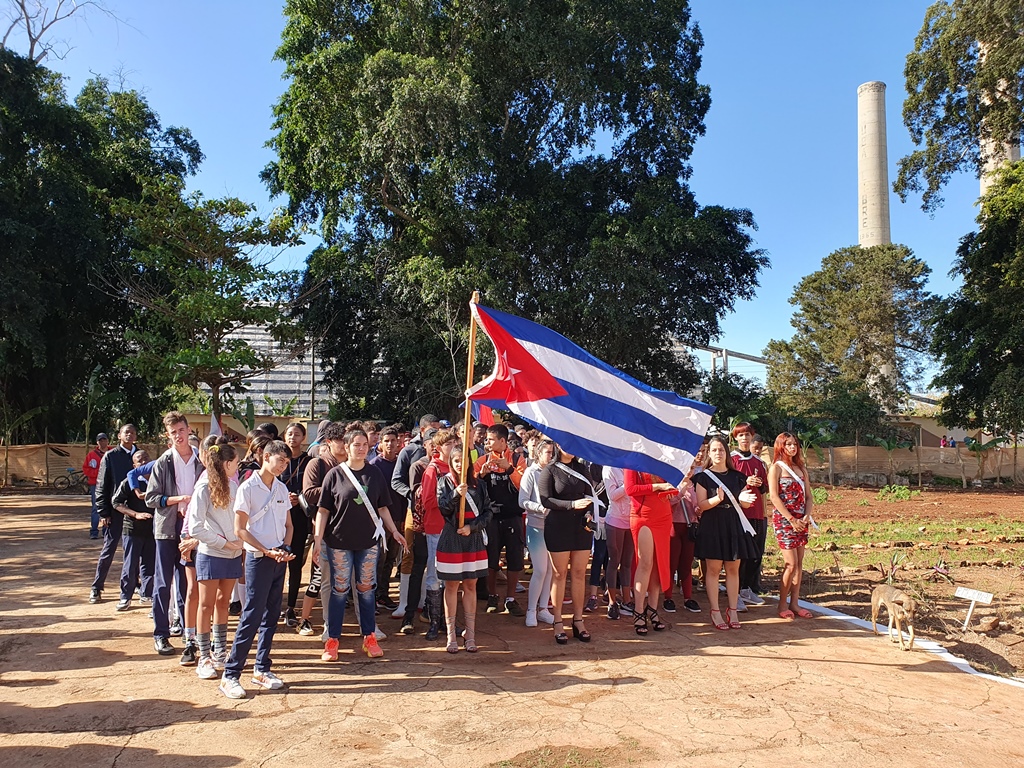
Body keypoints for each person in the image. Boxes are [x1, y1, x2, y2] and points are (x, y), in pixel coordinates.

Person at [314, 429, 407, 661]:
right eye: (356, 444)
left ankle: (369, 637)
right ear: (346, 447)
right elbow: (323, 510)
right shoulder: (334, 475)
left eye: (365, 444)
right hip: (338, 542)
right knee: (339, 590)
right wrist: (317, 541)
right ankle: (333, 640)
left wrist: (394, 531)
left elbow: (383, 507)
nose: (361, 448)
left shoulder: (374, 474)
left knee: (366, 591)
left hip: (368, 543)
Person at [219, 440, 295, 698]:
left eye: (287, 461)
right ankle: (231, 674)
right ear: (266, 456)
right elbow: (240, 529)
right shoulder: (248, 488)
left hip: (278, 558)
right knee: (251, 615)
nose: (284, 465)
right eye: (280, 459)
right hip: (258, 558)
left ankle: (262, 668)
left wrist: (284, 547)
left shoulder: (282, 489)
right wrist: (265, 550)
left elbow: (289, 524)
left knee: (272, 615)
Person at [146, 412, 203, 656]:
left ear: (188, 429)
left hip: (192, 532)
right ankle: (161, 633)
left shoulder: (201, 461)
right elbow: (151, 498)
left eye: (181, 430)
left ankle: (187, 631)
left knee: (188, 584)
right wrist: (176, 500)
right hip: (167, 530)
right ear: (167, 436)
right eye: (173, 433)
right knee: (162, 582)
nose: (179, 436)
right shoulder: (163, 462)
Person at [189, 442, 245, 680]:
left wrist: (239, 543)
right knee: (206, 604)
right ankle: (204, 657)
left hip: (233, 554)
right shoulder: (203, 488)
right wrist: (224, 543)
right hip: (211, 554)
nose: (239, 465)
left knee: (223, 603)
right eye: (236, 462)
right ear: (226, 464)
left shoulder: (235, 486)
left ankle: (220, 651)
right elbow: (195, 527)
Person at [693, 435, 758, 631]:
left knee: (733, 569)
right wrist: (717, 500)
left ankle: (733, 610)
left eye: (721, 450)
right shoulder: (703, 477)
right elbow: (701, 505)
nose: (718, 453)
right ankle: (715, 611)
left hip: (733, 525)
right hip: (712, 525)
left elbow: (743, 503)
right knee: (713, 570)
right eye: (714, 450)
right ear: (709, 454)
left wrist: (746, 500)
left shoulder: (738, 476)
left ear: (726, 452)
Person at [538, 444, 597, 644]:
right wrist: (571, 505)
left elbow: (591, 496)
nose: (569, 447)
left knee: (580, 573)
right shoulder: (550, 470)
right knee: (559, 574)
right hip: (558, 527)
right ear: (557, 445)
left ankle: (578, 620)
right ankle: (557, 621)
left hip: (581, 527)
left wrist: (589, 513)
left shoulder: (582, 469)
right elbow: (545, 500)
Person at [436, 445, 492, 652]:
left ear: (469, 462)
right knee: (450, 586)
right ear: (451, 462)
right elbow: (442, 507)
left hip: (473, 538)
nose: (460, 464)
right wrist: (455, 495)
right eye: (456, 460)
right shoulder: (444, 482)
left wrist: (472, 527)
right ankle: (451, 635)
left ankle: (470, 634)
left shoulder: (480, 485)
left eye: (463, 460)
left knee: (470, 585)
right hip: (451, 538)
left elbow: (488, 512)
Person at [298, 421, 346, 637]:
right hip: (324, 530)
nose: (345, 445)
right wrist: (339, 491)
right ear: (329, 442)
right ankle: (313, 620)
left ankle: (364, 627)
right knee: (321, 580)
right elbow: (308, 493)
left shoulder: (355, 465)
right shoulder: (317, 464)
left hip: (350, 532)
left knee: (353, 581)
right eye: (340, 441)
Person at [473, 424, 527, 617]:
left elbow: (525, 486)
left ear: (502, 441)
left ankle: (511, 599)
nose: (487, 443)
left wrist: (510, 469)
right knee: (491, 559)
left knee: (515, 559)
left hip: (513, 517)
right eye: (486, 439)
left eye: (491, 439)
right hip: (491, 518)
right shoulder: (482, 460)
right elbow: (471, 487)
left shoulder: (518, 460)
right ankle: (492, 596)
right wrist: (482, 475)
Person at [768, 433, 815, 620]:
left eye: (795, 444)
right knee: (791, 563)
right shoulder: (776, 468)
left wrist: (806, 516)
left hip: (801, 521)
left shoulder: (801, 469)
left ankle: (795, 603)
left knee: (800, 564)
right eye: (788, 444)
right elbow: (774, 497)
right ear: (781, 446)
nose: (792, 448)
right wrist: (790, 519)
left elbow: (809, 496)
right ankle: (782, 605)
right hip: (785, 522)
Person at [89, 424, 138, 603]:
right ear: (119, 436)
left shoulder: (140, 456)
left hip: (134, 512)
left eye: (132, 433)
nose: (129, 435)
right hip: (115, 511)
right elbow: (101, 486)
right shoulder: (110, 457)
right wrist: (103, 513)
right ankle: (96, 587)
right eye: (126, 432)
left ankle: (135, 585)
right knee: (108, 549)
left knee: (133, 552)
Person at [624, 469, 675, 635]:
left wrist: (673, 488)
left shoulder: (662, 458)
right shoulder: (632, 460)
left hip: (663, 513)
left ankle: (653, 608)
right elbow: (630, 489)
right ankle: (638, 610)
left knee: (659, 562)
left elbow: (672, 484)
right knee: (645, 563)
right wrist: (658, 486)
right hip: (643, 515)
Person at [420, 428, 460, 639]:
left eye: (455, 443)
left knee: (452, 578)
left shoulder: (459, 468)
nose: (453, 447)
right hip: (437, 527)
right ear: (439, 447)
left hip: (455, 528)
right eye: (448, 444)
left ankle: (450, 622)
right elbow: (428, 501)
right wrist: (451, 498)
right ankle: (434, 622)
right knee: (435, 577)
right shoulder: (432, 470)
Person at [518, 438, 557, 627]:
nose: (551, 456)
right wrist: (540, 508)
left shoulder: (556, 472)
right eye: (548, 452)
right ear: (539, 454)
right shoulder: (530, 473)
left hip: (554, 527)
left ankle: (543, 609)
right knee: (540, 570)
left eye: (552, 452)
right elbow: (522, 500)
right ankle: (531, 610)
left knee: (550, 570)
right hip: (535, 526)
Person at [663, 446, 704, 614]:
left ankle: (688, 597)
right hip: (674, 526)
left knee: (686, 564)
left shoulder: (696, 485)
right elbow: (669, 502)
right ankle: (668, 597)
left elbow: (697, 505)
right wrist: (682, 490)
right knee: (672, 563)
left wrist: (698, 510)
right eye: (686, 468)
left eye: (692, 468)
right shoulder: (672, 483)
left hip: (689, 527)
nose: (689, 471)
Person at [731, 423, 769, 609]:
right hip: (738, 514)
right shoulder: (731, 460)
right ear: (735, 438)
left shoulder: (759, 463)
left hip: (756, 513)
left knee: (755, 553)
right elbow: (725, 484)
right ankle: (735, 592)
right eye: (741, 435)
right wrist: (744, 482)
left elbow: (764, 489)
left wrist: (759, 482)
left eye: (747, 435)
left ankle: (746, 588)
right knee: (739, 555)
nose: (745, 438)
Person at [112, 450, 154, 611]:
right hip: (132, 530)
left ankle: (147, 595)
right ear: (134, 465)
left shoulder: (158, 481)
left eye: (146, 459)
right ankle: (125, 597)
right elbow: (116, 502)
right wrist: (135, 514)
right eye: (139, 460)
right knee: (130, 565)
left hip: (152, 531)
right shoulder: (129, 482)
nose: (143, 462)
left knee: (149, 565)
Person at [369, 425, 405, 610]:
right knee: (378, 559)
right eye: (386, 441)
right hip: (380, 522)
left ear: (399, 443)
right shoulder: (374, 465)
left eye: (393, 441)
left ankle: (384, 594)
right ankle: (373, 596)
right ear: (380, 444)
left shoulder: (402, 463)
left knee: (391, 558)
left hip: (399, 518)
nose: (390, 444)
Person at [280, 422, 311, 628]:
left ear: (303, 437)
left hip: (299, 517)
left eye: (297, 434)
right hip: (278, 517)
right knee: (275, 563)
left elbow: (311, 486)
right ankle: (274, 606)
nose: (293, 438)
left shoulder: (309, 461)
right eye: (289, 434)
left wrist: (298, 496)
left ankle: (291, 607)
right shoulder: (278, 459)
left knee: (295, 561)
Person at [601, 465, 635, 619]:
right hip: (615, 520)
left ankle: (627, 600)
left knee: (627, 562)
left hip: (632, 520)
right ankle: (612, 602)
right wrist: (628, 484)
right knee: (614, 561)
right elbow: (612, 495)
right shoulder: (609, 468)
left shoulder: (634, 467)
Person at [83, 432, 110, 539]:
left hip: (109, 484)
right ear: (97, 442)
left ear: (107, 441)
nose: (102, 442)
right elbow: (86, 469)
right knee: (96, 507)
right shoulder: (91, 455)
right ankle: (94, 531)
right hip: (96, 484)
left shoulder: (113, 452)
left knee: (108, 507)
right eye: (100, 440)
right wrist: (99, 474)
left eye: (104, 440)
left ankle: (106, 530)